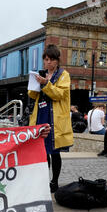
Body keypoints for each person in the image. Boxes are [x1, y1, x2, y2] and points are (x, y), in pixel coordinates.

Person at [28, 44, 73, 193]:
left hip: (55, 118)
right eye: (46, 59)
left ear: (57, 60)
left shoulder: (63, 75)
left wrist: (45, 84)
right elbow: (33, 95)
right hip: (42, 114)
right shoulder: (41, 73)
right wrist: (34, 85)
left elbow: (59, 94)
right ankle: (43, 180)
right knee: (43, 151)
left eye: (51, 59)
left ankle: (54, 181)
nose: (48, 62)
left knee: (55, 152)